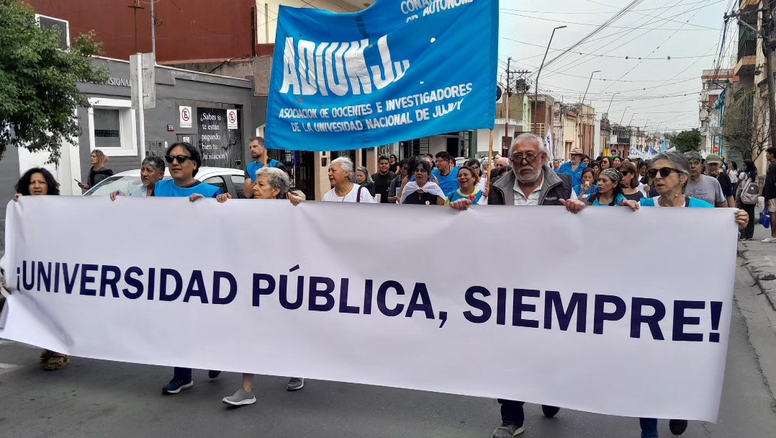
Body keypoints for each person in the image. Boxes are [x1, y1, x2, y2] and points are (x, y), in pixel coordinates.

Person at [479, 133, 570, 436]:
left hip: (550, 282)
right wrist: (463, 216)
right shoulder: (496, 188)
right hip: (508, 282)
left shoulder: (562, 186)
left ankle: (549, 389)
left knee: (547, 346)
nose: (524, 162)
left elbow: (574, 231)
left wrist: (580, 212)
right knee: (507, 350)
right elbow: (486, 227)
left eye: (531, 155)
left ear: (543, 159)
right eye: (518, 156)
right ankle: (511, 418)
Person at [214, 167, 305, 406]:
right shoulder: (245, 209)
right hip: (251, 282)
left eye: (261, 185)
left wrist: (301, 202)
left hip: (282, 281)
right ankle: (247, 389)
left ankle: (297, 366)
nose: (254, 188)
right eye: (256, 183)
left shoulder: (292, 209)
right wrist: (219, 203)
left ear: (276, 191)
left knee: (285, 326)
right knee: (250, 329)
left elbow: (305, 214)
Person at [150, 142, 223, 394]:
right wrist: (118, 202)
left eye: (181, 158)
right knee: (177, 321)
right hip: (170, 266)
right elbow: (145, 219)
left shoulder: (211, 191)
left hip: (202, 267)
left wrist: (211, 207)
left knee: (204, 318)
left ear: (194, 164)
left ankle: (214, 357)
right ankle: (183, 374)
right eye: (171, 158)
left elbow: (225, 226)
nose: (174, 163)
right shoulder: (159, 187)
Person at [9, 168, 70, 371]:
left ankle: (61, 351)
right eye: (32, 182)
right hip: (34, 270)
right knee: (39, 309)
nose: (36, 186)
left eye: (41, 182)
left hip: (56, 268)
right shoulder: (21, 208)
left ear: (48, 186)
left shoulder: (59, 208)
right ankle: (49, 346)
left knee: (57, 309)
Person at [737, 160, 758, 240]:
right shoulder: (755, 174)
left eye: (744, 165)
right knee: (751, 216)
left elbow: (737, 182)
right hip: (752, 197)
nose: (743, 167)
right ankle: (749, 235)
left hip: (744, 197)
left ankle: (743, 234)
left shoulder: (743, 174)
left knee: (742, 215)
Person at [763, 148, 776, 242]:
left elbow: (770, 182)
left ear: (772, 154)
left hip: (772, 194)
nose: (766, 155)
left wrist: (766, 196)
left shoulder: (772, 166)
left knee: (772, 213)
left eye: (767, 153)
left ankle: (773, 235)